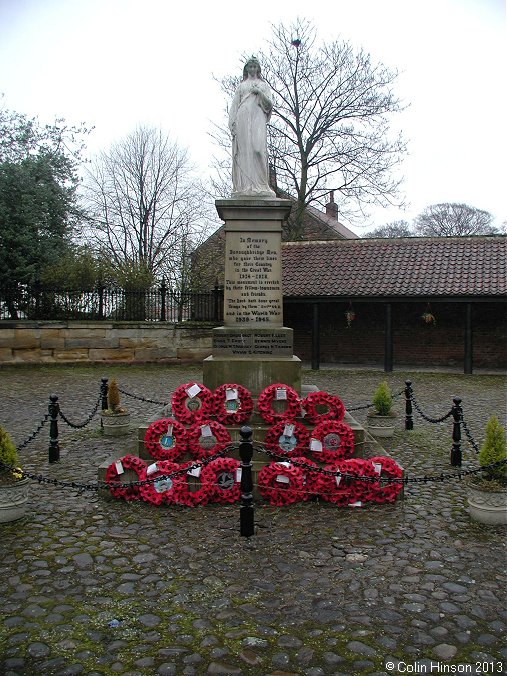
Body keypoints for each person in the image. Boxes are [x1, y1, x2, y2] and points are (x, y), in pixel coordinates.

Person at [229, 57, 276, 198]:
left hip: (257, 117)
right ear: (246, 69)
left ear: (258, 69)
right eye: (250, 67)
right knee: (244, 151)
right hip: (243, 117)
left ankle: (261, 185)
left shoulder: (263, 86)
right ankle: (245, 186)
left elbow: (269, 105)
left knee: (258, 149)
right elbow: (234, 106)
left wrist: (259, 93)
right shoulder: (241, 86)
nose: (252, 69)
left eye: (255, 67)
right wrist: (232, 123)